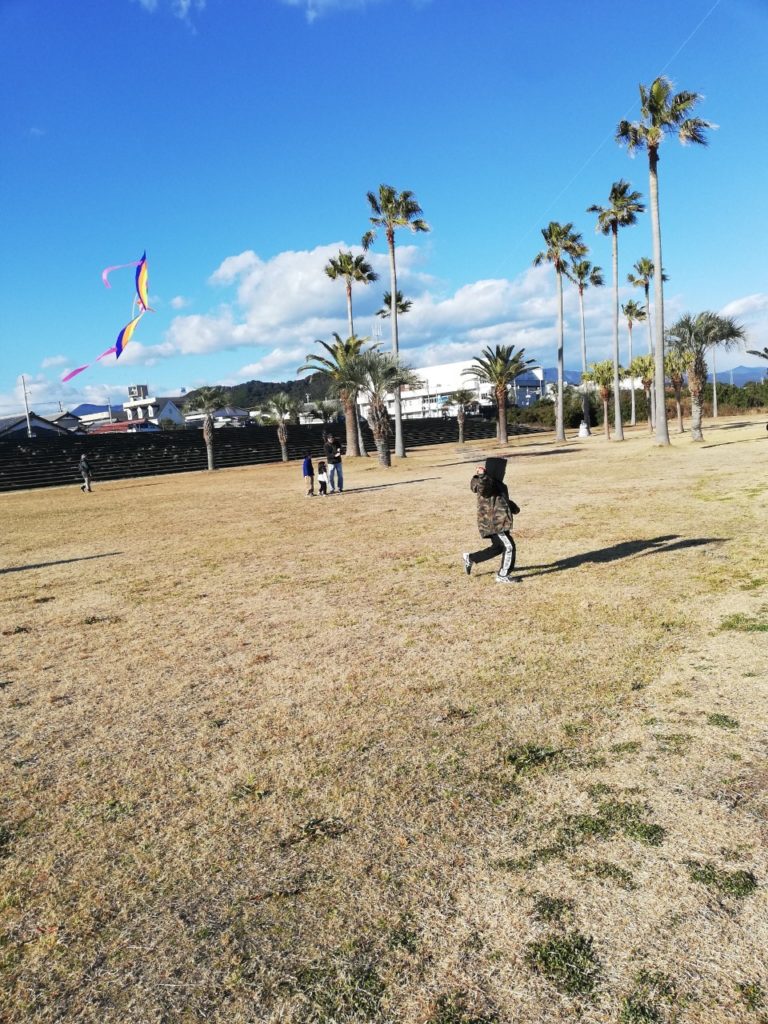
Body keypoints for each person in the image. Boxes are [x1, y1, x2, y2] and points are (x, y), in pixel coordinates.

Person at [463, 457, 520, 584]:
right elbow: (484, 489)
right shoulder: (487, 482)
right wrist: (482, 475)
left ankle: (471, 558)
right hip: (494, 523)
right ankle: (503, 575)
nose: (503, 472)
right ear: (495, 469)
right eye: (502, 469)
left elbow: (499, 499)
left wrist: (512, 506)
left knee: (498, 547)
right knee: (509, 546)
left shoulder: (498, 483)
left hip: (500, 522)